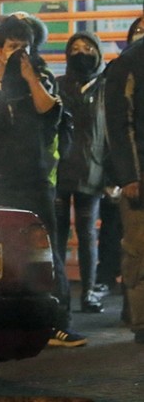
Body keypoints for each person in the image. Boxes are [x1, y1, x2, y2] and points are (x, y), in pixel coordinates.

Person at [0, 18, 83, 347]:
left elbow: (49, 113)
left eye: (25, 47)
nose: (20, 53)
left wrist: (29, 77)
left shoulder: (40, 79)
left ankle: (55, 323)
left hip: (34, 181)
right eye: (13, 47)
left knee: (46, 252)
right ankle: (1, 323)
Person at [54, 32, 108, 314]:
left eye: (87, 48)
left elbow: (114, 132)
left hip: (93, 168)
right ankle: (60, 294)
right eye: (74, 48)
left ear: (97, 52)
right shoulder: (58, 85)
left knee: (87, 234)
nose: (81, 52)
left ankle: (89, 292)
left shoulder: (106, 87)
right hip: (61, 169)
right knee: (59, 234)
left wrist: (113, 175)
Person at [104, 25, 144, 344]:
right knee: (139, 252)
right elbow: (120, 122)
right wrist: (129, 174)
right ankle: (142, 321)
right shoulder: (130, 62)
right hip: (140, 176)